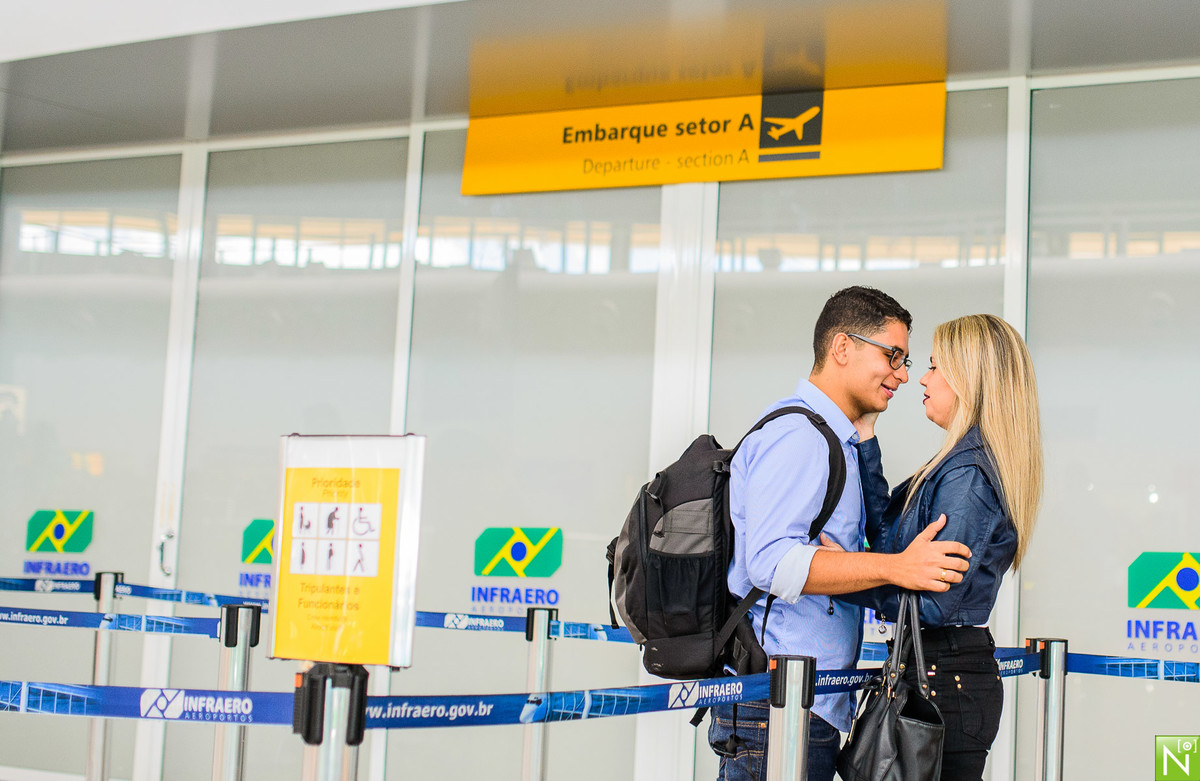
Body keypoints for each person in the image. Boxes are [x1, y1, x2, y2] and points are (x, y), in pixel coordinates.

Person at [709, 286, 974, 781]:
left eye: (906, 361)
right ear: (843, 348)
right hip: (778, 707)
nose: (903, 374)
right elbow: (770, 564)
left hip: (807, 705)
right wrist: (896, 568)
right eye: (893, 355)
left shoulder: (835, 440)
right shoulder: (799, 437)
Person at [849, 313, 1042, 781]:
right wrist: (867, 438)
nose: (922, 378)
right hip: (937, 673)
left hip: (943, 680)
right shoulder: (957, 463)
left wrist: (839, 578)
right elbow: (889, 543)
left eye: (935, 366)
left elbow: (934, 603)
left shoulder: (967, 475)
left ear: (969, 379)